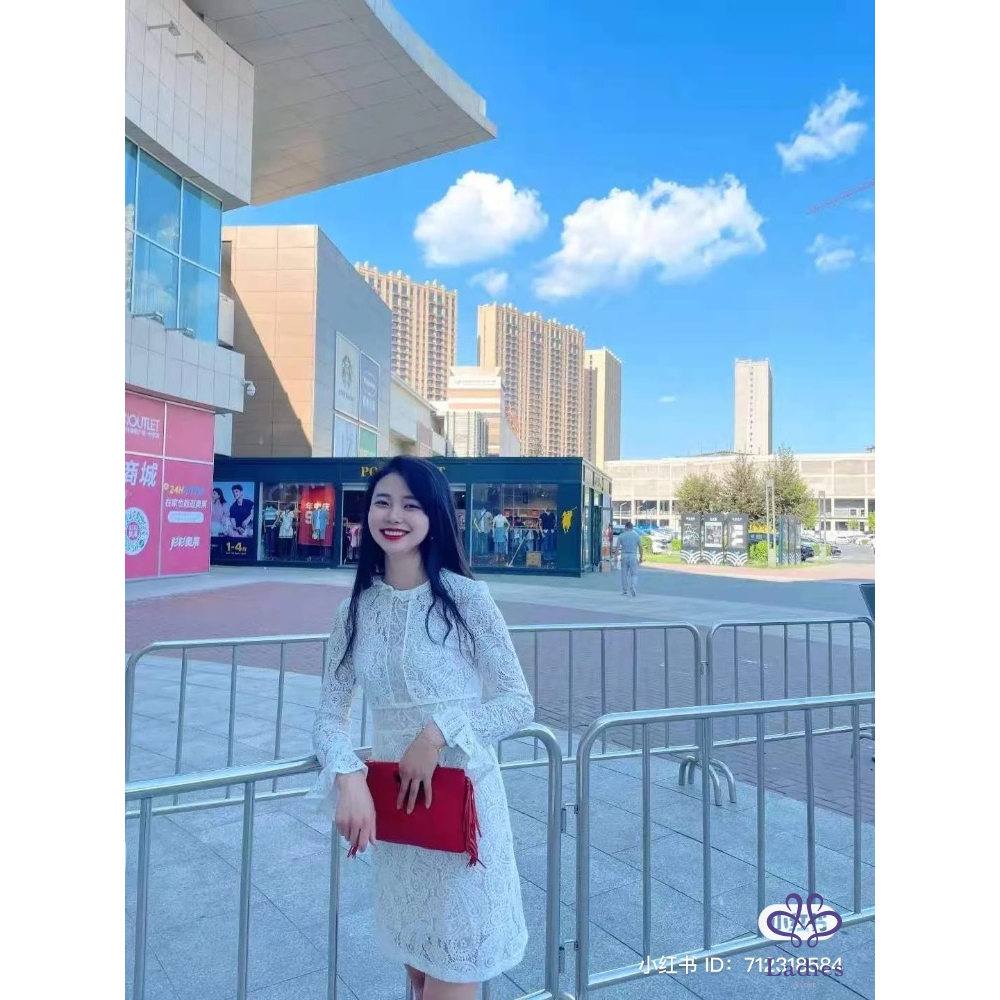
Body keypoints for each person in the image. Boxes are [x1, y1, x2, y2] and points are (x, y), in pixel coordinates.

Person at [310, 456, 534, 1000]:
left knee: (451, 973)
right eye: (383, 503)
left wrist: (438, 733)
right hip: (404, 825)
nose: (395, 516)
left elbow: (518, 702)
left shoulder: (467, 599)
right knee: (417, 974)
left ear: (434, 515)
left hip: (465, 821)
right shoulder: (354, 611)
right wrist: (348, 777)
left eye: (411, 505)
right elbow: (329, 715)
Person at [615, 520, 642, 596]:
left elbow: (617, 547)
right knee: (634, 574)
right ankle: (633, 585)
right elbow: (640, 547)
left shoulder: (621, 536)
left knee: (624, 574)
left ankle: (625, 591)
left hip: (624, 555)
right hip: (633, 556)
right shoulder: (636, 536)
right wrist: (641, 557)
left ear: (626, 527)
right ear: (632, 528)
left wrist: (616, 557)